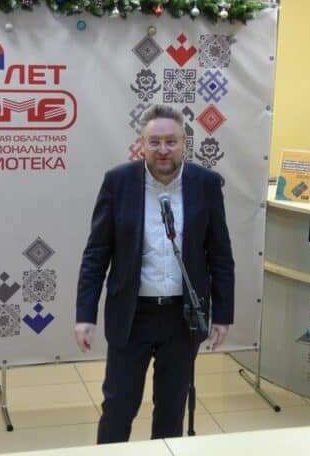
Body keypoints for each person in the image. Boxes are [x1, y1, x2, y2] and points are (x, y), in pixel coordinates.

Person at [74, 104, 235, 444]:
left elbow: (220, 255)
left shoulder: (205, 184)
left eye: (171, 142)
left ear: (184, 143)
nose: (163, 150)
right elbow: (96, 254)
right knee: (119, 406)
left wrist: (222, 314)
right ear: (142, 145)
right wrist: (85, 315)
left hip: (182, 317)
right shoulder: (118, 182)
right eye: (155, 142)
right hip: (132, 315)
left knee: (171, 410)